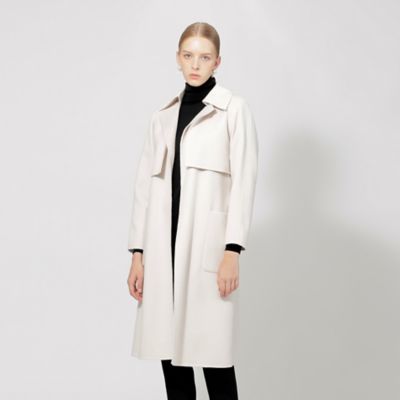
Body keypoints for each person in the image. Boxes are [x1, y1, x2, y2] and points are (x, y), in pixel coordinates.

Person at [126, 21, 258, 399]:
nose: (195, 65)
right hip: (162, 251)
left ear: (218, 61)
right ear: (178, 58)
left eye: (204, 57)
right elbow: (144, 189)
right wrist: (138, 254)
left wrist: (232, 250)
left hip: (207, 251)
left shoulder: (232, 111)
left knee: (215, 359)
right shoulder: (162, 117)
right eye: (188, 56)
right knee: (173, 364)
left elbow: (244, 183)